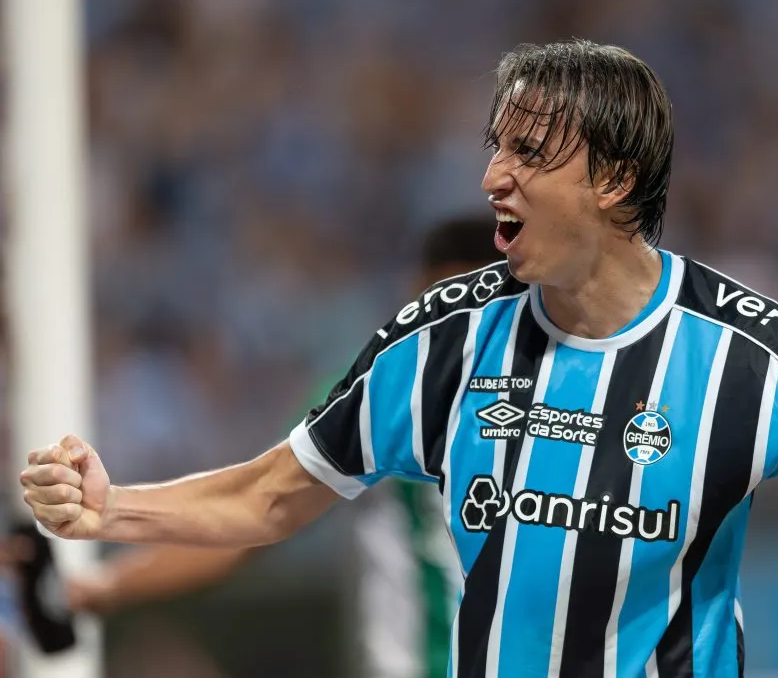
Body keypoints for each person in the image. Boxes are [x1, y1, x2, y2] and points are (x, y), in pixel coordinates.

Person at [21, 40, 778, 677]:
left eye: (527, 152)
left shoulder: (747, 356)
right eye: (493, 147)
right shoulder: (438, 345)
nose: (490, 178)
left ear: (612, 179)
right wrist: (112, 507)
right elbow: (266, 496)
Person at [62, 217, 502, 678]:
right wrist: (105, 584)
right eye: (442, 302)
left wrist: (103, 586)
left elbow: (255, 513)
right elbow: (259, 506)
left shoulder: (401, 389)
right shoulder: (384, 391)